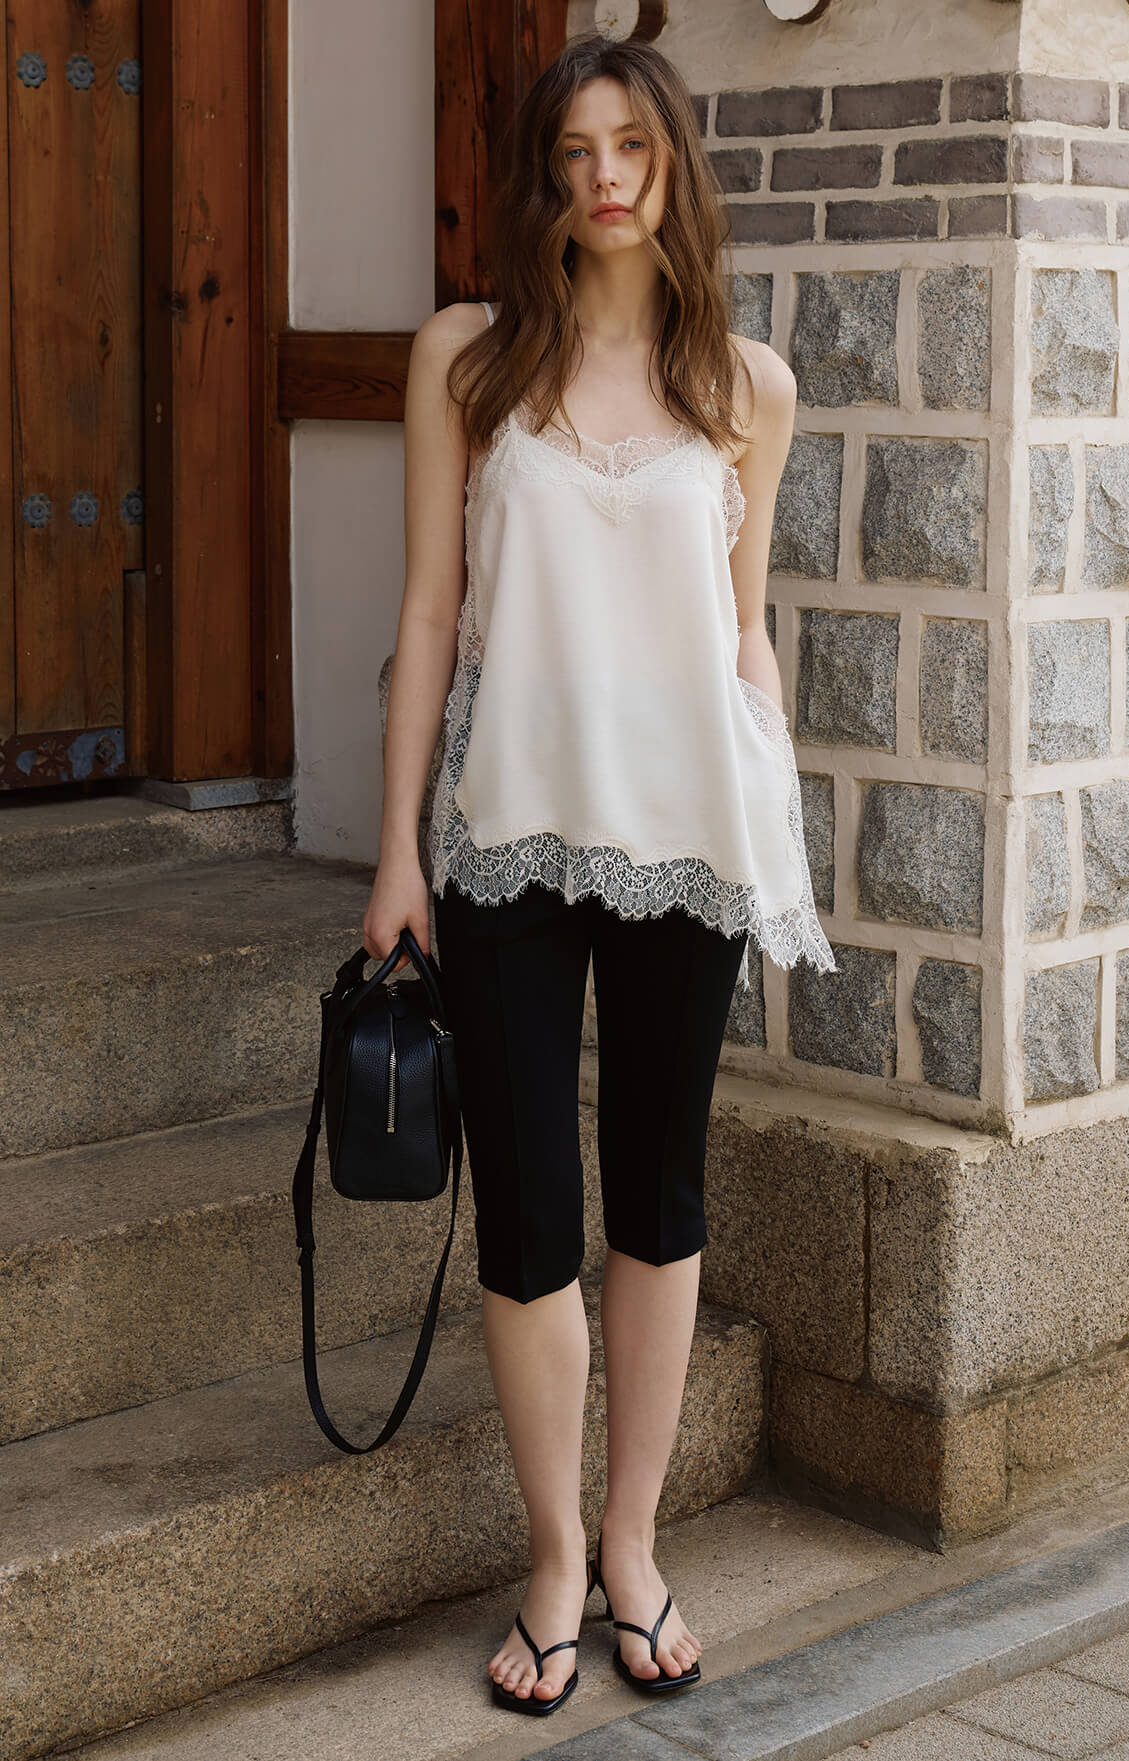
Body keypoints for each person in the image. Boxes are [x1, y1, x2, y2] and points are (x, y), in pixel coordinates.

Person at [362, 29, 836, 1720]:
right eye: (573, 154)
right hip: (504, 836)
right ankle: (555, 1556)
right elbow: (431, 610)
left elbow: (741, 632)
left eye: (631, 146)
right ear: (544, 183)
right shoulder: (468, 361)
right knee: (530, 1214)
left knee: (660, 1192)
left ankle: (635, 1543)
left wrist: (772, 822)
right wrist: (397, 849)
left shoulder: (748, 387)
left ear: (674, 164)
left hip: (688, 841)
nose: (604, 177)